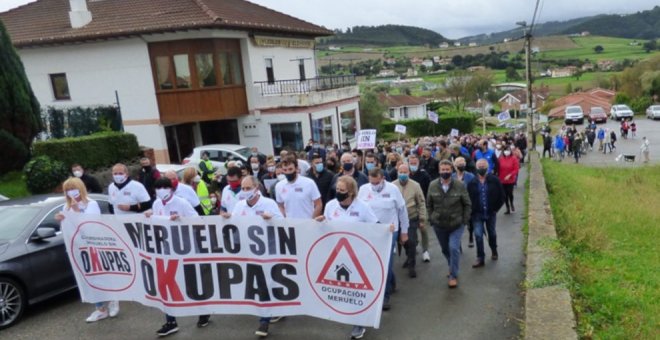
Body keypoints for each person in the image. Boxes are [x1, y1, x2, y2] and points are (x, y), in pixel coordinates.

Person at [316, 176, 393, 340]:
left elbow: (376, 226)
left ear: (351, 192)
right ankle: (352, 315)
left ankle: (359, 322)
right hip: (339, 255)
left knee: (359, 288)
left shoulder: (363, 207)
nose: (338, 193)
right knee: (347, 288)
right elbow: (326, 227)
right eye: (337, 190)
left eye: (342, 191)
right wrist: (320, 222)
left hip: (360, 256)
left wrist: (387, 229)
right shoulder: (330, 206)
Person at [144, 178, 209, 336]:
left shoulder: (182, 203)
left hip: (187, 249)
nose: (160, 191)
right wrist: (150, 216)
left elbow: (198, 221)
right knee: (166, 284)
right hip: (167, 250)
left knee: (191, 283)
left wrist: (181, 220)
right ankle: (171, 321)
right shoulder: (157, 204)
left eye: (164, 188)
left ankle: (203, 311)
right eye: (158, 188)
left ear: (171, 189)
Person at [222, 176, 284, 338]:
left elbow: (283, 223)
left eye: (248, 188)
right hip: (249, 252)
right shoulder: (239, 205)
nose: (245, 191)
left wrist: (272, 219)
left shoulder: (268, 204)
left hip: (269, 251)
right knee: (259, 285)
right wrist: (227, 220)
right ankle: (269, 314)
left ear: (257, 188)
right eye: (243, 188)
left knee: (268, 283)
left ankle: (267, 317)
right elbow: (234, 227)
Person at [55, 177, 116, 322]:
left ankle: (114, 299)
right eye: (67, 190)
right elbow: (68, 227)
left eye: (73, 188)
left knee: (103, 275)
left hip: (95, 245)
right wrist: (61, 218)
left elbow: (91, 224)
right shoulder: (66, 206)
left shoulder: (91, 204)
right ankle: (100, 308)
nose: (71, 192)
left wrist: (77, 212)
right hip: (79, 247)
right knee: (88, 277)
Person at [357, 168, 409, 310]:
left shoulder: (393, 189)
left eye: (377, 182)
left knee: (384, 263)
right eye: (372, 182)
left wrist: (404, 231)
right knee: (373, 262)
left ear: (383, 178)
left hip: (389, 232)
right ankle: (391, 281)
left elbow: (402, 211)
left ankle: (384, 297)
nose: (374, 185)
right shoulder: (363, 190)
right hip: (370, 231)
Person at [426, 160, 472, 288]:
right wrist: (431, 218)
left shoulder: (459, 185)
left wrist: (464, 220)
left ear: (451, 170)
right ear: (439, 170)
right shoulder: (432, 185)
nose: (445, 172)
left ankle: (453, 275)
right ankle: (451, 265)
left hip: (456, 224)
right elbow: (429, 204)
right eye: (443, 170)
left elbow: (467, 203)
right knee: (445, 249)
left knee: (453, 248)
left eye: (447, 170)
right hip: (439, 224)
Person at [467, 159, 505, 268]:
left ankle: (494, 249)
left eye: (483, 166)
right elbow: (468, 198)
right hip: (477, 214)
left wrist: (495, 209)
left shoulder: (494, 180)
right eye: (479, 166)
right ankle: (480, 257)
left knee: (491, 233)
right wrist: (471, 211)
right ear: (476, 167)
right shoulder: (472, 182)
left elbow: (501, 196)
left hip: (490, 212)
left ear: (487, 167)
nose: (481, 168)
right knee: (478, 235)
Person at [393, 164, 428, 278]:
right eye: (401, 172)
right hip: (397, 219)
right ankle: (409, 255)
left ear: (409, 173)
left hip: (411, 217)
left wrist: (422, 218)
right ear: (398, 172)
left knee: (411, 241)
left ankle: (412, 265)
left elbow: (421, 202)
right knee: (403, 241)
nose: (403, 174)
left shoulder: (415, 185)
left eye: (405, 172)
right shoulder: (393, 186)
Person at [406, 153, 432, 262]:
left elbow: (429, 190)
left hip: (421, 205)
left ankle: (425, 250)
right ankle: (414, 245)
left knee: (423, 228)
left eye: (414, 163)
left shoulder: (424, 174)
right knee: (411, 230)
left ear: (418, 163)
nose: (413, 165)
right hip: (409, 207)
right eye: (411, 163)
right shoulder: (405, 174)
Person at [452, 157, 475, 247]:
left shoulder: (470, 176)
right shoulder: (452, 177)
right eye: (459, 164)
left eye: (463, 164)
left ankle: (470, 237)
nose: (461, 166)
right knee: (457, 224)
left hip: (467, 203)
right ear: (455, 166)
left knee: (470, 221)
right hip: (456, 204)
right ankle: (458, 242)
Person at [498, 146, 520, 214]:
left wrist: (510, 175)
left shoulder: (514, 159)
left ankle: (511, 203)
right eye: (505, 150)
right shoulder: (500, 159)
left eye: (508, 150)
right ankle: (507, 208)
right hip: (502, 179)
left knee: (510, 193)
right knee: (504, 195)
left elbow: (516, 169)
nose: (506, 152)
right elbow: (498, 168)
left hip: (510, 179)